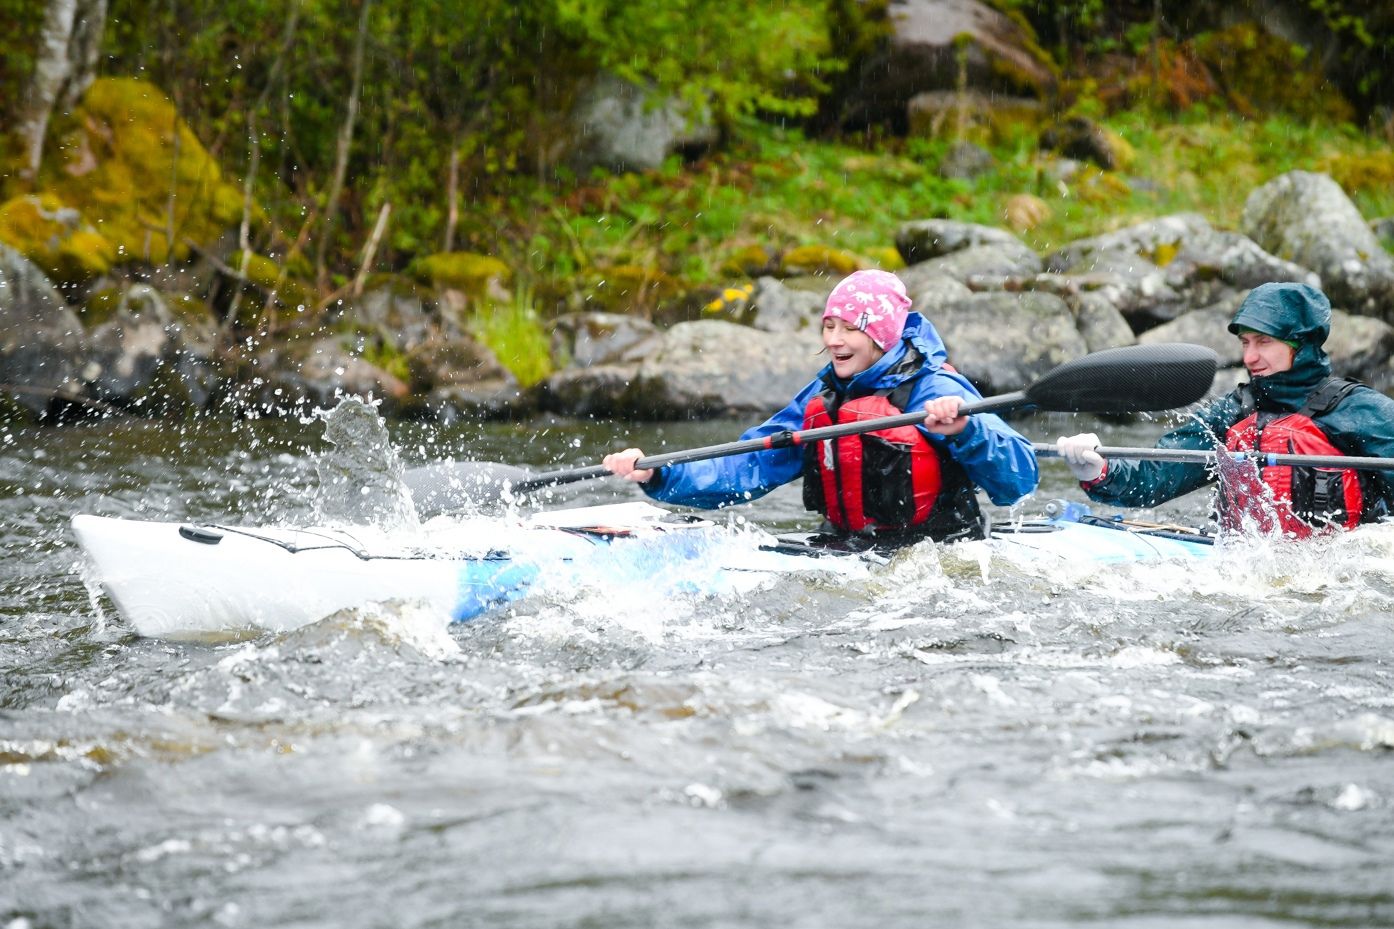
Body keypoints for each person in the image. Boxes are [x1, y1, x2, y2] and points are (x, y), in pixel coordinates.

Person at [603, 269, 1038, 545]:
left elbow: (1018, 480)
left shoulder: (934, 388)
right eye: (829, 326)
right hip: (844, 550)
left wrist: (967, 430)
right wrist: (662, 473)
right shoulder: (825, 396)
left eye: (849, 328)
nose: (833, 339)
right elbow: (750, 464)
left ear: (881, 336)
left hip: (940, 555)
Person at [1056, 281, 1394, 537]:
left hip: (1342, 571)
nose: (1249, 358)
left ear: (1301, 346)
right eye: (1246, 343)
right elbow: (1157, 476)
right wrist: (1098, 469)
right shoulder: (1233, 412)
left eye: (1264, 342)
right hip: (1244, 569)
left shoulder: (1359, 411)